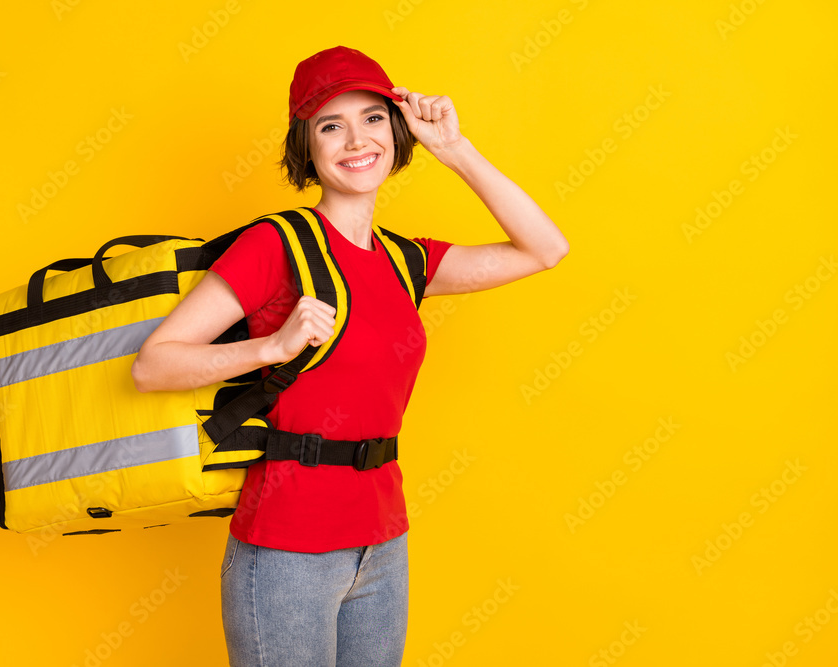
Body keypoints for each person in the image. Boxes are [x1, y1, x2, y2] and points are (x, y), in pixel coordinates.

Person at [131, 45, 569, 667]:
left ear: (395, 131)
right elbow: (153, 365)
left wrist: (453, 150)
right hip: (286, 550)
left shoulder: (404, 260)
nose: (355, 139)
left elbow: (545, 249)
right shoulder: (274, 245)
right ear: (306, 148)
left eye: (371, 118)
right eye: (330, 125)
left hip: (384, 542)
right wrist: (273, 346)